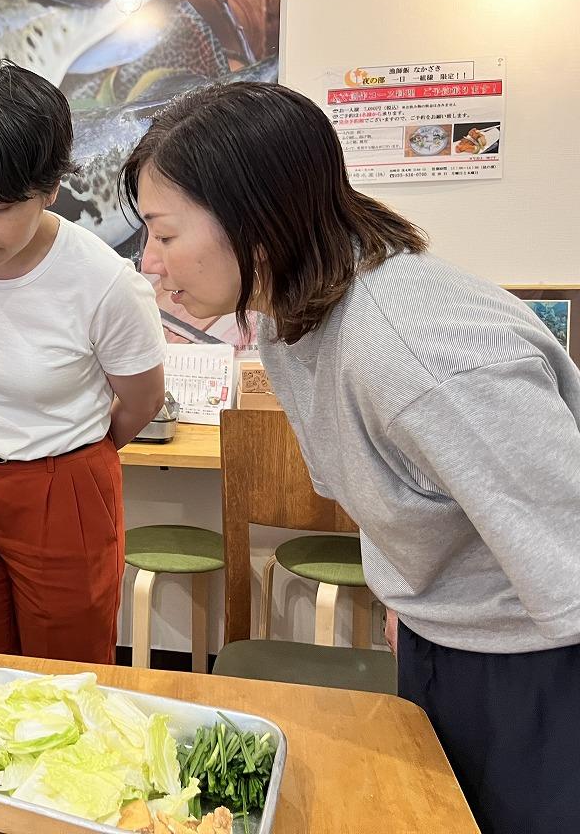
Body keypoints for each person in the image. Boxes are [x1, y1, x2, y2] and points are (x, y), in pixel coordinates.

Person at [124, 79, 580, 834]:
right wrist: (407, 593)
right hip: (447, 637)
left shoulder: (417, 350)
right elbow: (392, 484)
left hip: (541, 662)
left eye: (164, 235)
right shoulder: (289, 319)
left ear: (256, 223)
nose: (149, 262)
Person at [0, 61, 166, 663]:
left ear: (48, 189)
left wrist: (71, 453)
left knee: (65, 673)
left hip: (62, 485)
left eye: (2, 206)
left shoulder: (103, 281)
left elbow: (141, 399)